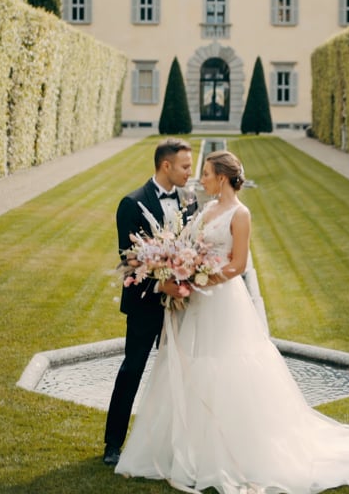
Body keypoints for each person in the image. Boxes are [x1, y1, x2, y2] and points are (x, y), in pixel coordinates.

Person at [116, 150, 349, 493]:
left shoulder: (241, 214)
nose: (202, 178)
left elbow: (238, 264)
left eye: (206, 173)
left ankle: (231, 451)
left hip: (223, 300)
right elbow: (187, 246)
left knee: (228, 368)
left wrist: (201, 279)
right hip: (196, 301)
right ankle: (185, 448)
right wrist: (179, 266)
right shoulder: (205, 209)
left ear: (221, 177)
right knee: (190, 366)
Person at [104, 138, 197, 466]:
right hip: (146, 304)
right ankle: (113, 445)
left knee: (182, 373)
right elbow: (129, 259)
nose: (191, 172)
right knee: (133, 369)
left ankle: (177, 444)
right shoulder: (132, 203)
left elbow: (193, 247)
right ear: (166, 165)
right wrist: (162, 285)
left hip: (182, 305)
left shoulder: (189, 200)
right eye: (185, 166)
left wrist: (186, 278)